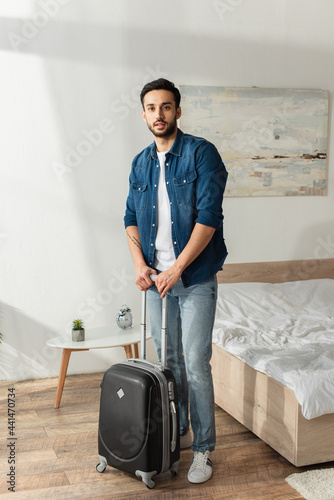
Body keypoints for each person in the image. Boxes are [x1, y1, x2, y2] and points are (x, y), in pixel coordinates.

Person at [124, 78, 228, 484]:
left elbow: (208, 219)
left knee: (197, 365)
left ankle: (203, 449)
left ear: (178, 111)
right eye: (152, 108)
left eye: (166, 107)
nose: (159, 115)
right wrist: (140, 265)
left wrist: (176, 269)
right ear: (144, 113)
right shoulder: (139, 163)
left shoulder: (202, 154)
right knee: (169, 364)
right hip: (156, 281)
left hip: (195, 277)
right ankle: (177, 430)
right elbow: (130, 219)